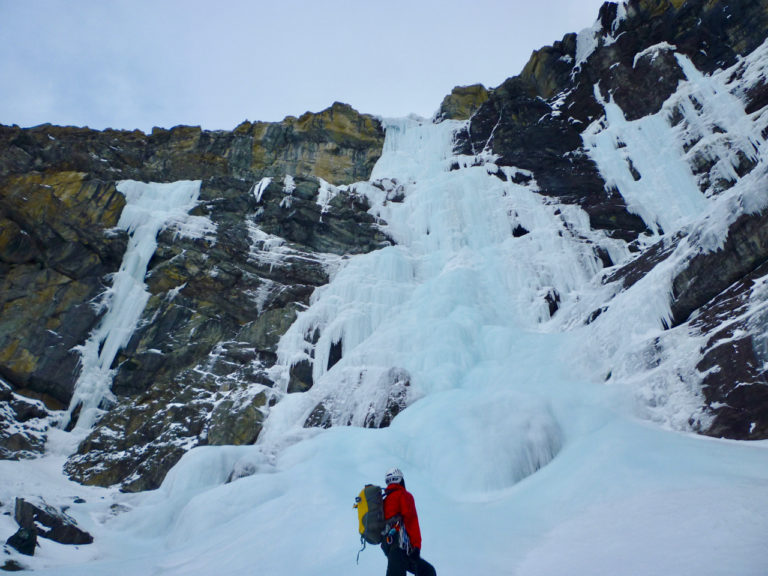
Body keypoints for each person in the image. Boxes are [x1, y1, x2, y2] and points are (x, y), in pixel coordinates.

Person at [381, 467, 437, 576]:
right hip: (400, 547)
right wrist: (416, 546)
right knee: (428, 572)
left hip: (390, 547)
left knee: (427, 571)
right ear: (400, 480)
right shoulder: (404, 496)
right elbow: (411, 521)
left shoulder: (385, 500)